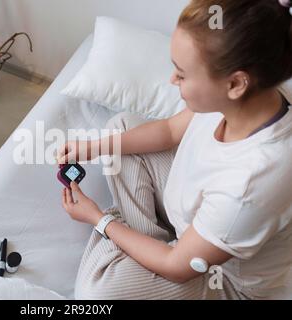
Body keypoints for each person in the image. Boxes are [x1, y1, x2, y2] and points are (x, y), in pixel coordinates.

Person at [57, 0, 292, 299]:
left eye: (182, 74)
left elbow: (176, 265)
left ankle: (136, 242)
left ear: (235, 84)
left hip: (221, 278)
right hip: (193, 225)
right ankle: (146, 243)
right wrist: (93, 147)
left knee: (97, 294)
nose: (172, 80)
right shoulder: (253, 95)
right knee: (120, 130)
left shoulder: (252, 184)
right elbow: (169, 131)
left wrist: (99, 219)